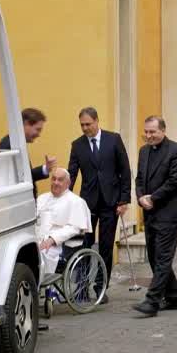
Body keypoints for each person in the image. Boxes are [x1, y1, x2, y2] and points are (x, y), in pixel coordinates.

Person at [66, 106, 130, 302]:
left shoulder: (114, 139)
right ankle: (82, 289)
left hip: (111, 203)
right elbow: (72, 173)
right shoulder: (77, 145)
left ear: (97, 121)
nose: (85, 128)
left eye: (88, 124)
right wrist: (66, 199)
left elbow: (125, 170)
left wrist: (124, 200)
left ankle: (101, 287)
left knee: (105, 246)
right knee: (84, 245)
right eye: (82, 125)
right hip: (87, 204)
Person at [132, 116, 177, 317]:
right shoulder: (143, 151)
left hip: (169, 212)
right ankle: (173, 297)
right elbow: (139, 178)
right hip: (149, 212)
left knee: (163, 257)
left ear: (163, 131)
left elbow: (174, 181)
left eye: (152, 132)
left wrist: (153, 198)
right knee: (154, 257)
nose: (148, 136)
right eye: (146, 132)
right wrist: (140, 198)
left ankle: (152, 301)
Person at [35, 168, 92, 276]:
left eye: (60, 180)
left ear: (68, 183)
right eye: (54, 179)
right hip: (38, 241)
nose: (56, 182)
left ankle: (48, 288)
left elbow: (74, 228)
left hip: (62, 245)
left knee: (40, 255)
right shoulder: (42, 198)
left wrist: (52, 239)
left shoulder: (76, 202)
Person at [0, 108, 57, 196]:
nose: (39, 134)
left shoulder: (14, 142)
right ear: (26, 124)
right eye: (38, 129)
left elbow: (23, 176)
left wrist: (46, 169)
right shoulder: (10, 145)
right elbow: (18, 180)